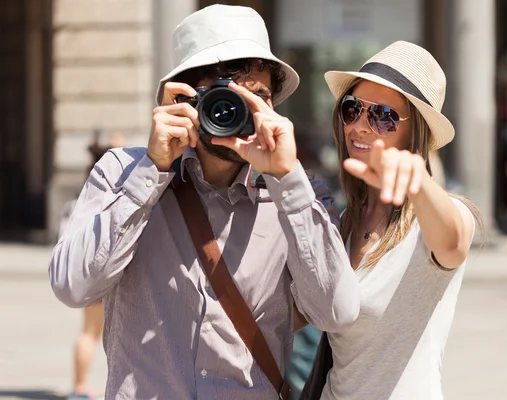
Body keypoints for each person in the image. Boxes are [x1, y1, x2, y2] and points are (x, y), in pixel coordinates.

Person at [49, 5, 359, 400]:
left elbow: (337, 313)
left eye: (257, 96)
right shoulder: (122, 172)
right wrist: (152, 171)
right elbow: (71, 286)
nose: (239, 110)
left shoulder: (300, 193)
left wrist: (287, 179)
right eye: (223, 96)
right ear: (184, 97)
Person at [302, 41, 481, 400]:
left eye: (383, 115)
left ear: (416, 134)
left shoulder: (433, 218)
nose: (362, 126)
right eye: (353, 109)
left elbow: (454, 241)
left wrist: (419, 183)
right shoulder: (341, 222)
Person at [59, 132, 121, 400]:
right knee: (94, 333)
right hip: (102, 273)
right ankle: (80, 388)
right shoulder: (111, 193)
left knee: (88, 332)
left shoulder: (81, 197)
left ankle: (79, 386)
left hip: (85, 270)